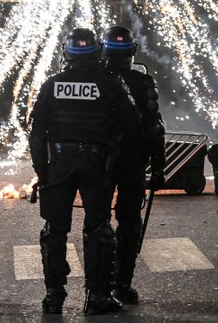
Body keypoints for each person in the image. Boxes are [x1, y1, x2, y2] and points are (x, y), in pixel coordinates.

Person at [29, 27, 140, 315]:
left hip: (60, 165)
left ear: (66, 53)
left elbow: (37, 133)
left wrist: (43, 173)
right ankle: (97, 297)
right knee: (97, 229)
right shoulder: (109, 83)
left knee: (54, 231)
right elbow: (132, 121)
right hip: (95, 164)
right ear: (96, 53)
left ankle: (54, 297)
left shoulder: (52, 84)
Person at [101, 25, 166, 305]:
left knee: (98, 222)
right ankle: (122, 284)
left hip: (101, 162)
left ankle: (100, 285)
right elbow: (155, 128)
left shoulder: (97, 81)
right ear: (131, 52)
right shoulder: (142, 83)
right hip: (132, 161)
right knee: (129, 222)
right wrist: (160, 166)